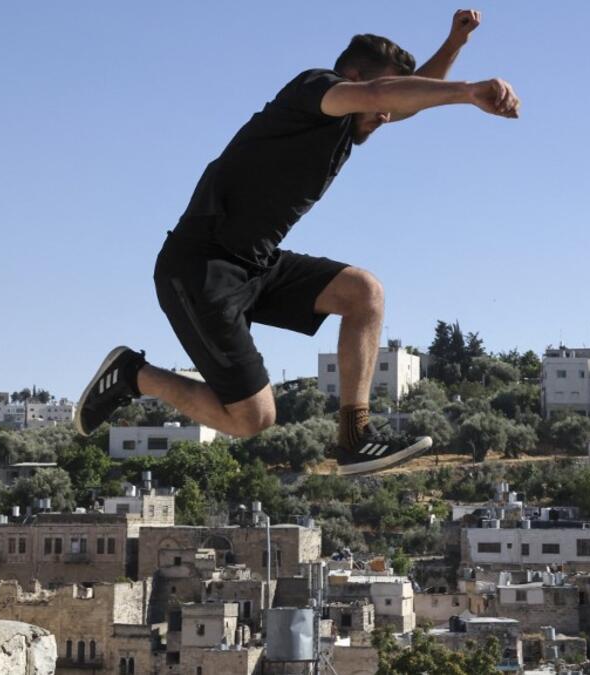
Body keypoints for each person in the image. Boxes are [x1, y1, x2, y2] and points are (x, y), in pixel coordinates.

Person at [74, 9, 520, 476]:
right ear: (351, 80)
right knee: (253, 418)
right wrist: (469, 91)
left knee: (362, 292)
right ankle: (134, 374)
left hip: (257, 266)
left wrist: (454, 45)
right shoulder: (313, 89)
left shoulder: (353, 121)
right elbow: (380, 95)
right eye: (379, 100)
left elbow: (401, 100)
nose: (386, 116)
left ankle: (354, 438)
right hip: (201, 267)